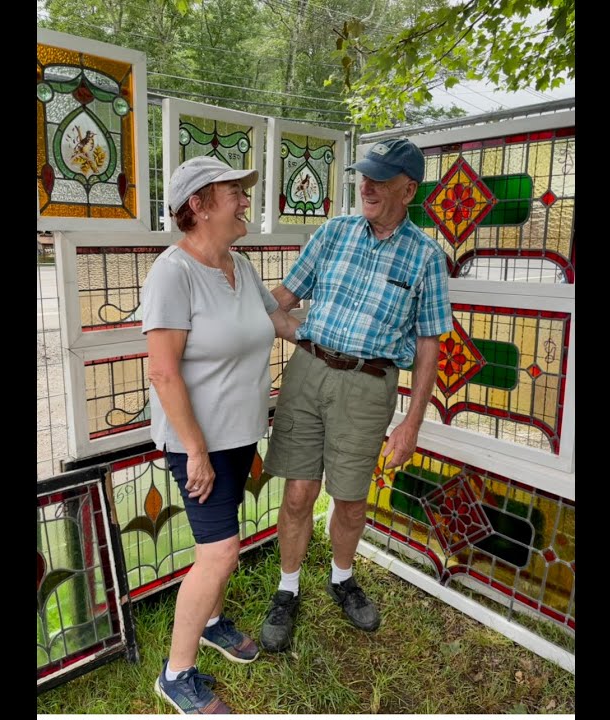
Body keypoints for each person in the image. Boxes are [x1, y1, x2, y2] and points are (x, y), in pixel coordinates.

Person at [258, 138, 452, 651]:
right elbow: (284, 297)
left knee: (349, 498)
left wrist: (412, 423)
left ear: (408, 190)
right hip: (307, 373)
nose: (366, 185)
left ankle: (342, 578)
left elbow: (430, 345)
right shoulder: (334, 233)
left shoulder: (427, 257)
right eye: (364, 176)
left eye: (380, 179)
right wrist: (227, 307)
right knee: (298, 492)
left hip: (369, 387)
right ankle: (287, 588)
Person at [143, 156, 300, 714]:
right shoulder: (172, 273)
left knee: (221, 548)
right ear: (199, 206)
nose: (243, 200)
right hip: (197, 445)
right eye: (234, 191)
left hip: (236, 435)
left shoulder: (239, 264)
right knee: (221, 552)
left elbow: (279, 323)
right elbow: (163, 371)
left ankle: (210, 621)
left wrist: (346, 321)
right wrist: (196, 451)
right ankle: (176, 673)